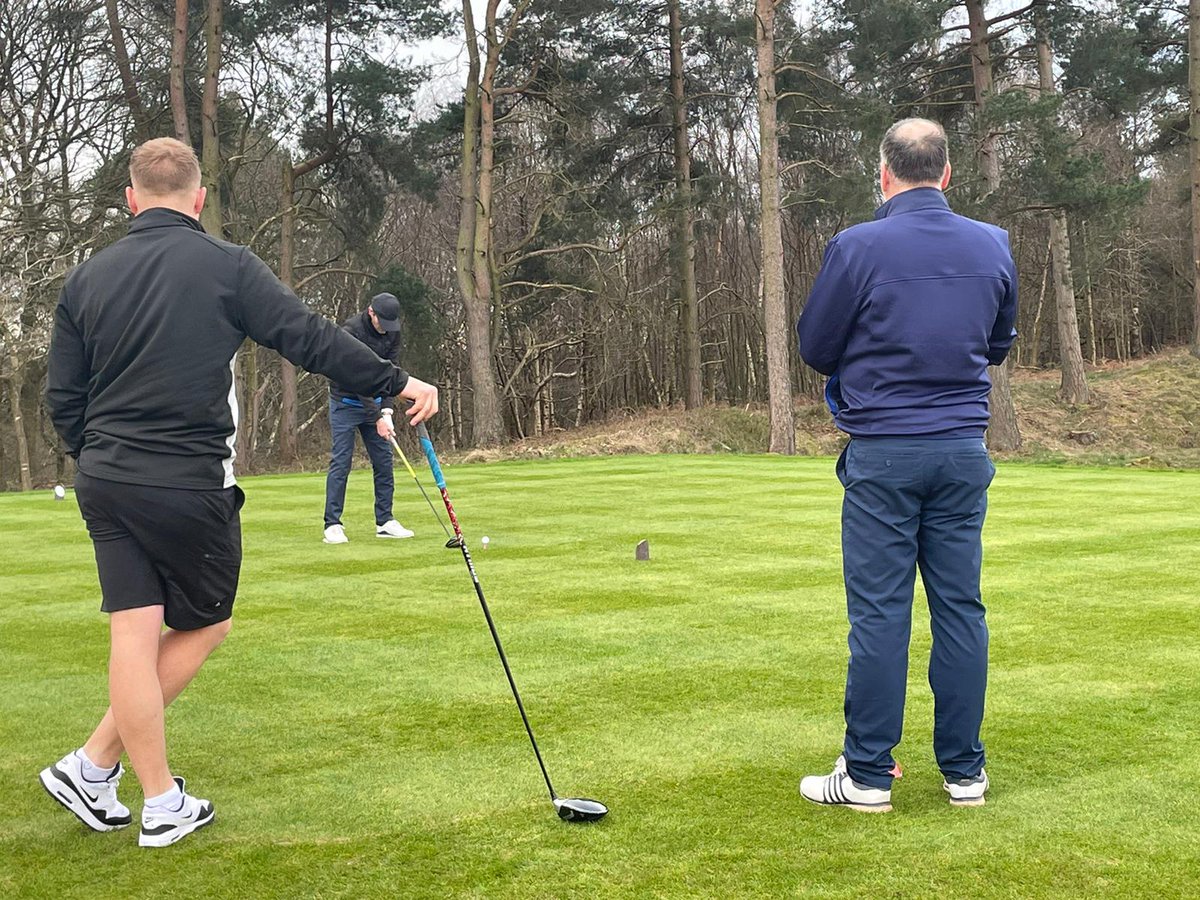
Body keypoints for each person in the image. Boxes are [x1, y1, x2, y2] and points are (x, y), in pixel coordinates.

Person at [42, 137, 438, 847]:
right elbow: (307, 337)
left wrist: (91, 454)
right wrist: (397, 379)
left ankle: (97, 769)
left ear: (132, 199)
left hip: (104, 478)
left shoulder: (86, 278)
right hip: (187, 481)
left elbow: (63, 398)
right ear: (197, 200)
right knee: (205, 624)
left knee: (134, 629)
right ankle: (152, 797)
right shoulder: (226, 265)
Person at [794, 118, 1017, 813]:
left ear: (885, 175)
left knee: (881, 614)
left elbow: (816, 346)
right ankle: (964, 773)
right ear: (946, 173)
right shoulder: (994, 244)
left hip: (885, 453)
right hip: (960, 449)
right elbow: (998, 344)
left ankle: (864, 775)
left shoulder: (857, 246)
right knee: (960, 609)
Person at [322, 293, 414, 544]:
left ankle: (384, 521)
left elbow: (390, 371)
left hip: (374, 405)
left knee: (384, 461)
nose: (386, 329)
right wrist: (377, 417)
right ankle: (332, 524)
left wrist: (387, 411)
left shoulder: (392, 331)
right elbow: (356, 378)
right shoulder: (350, 331)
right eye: (382, 322)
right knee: (342, 461)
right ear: (371, 312)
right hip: (345, 402)